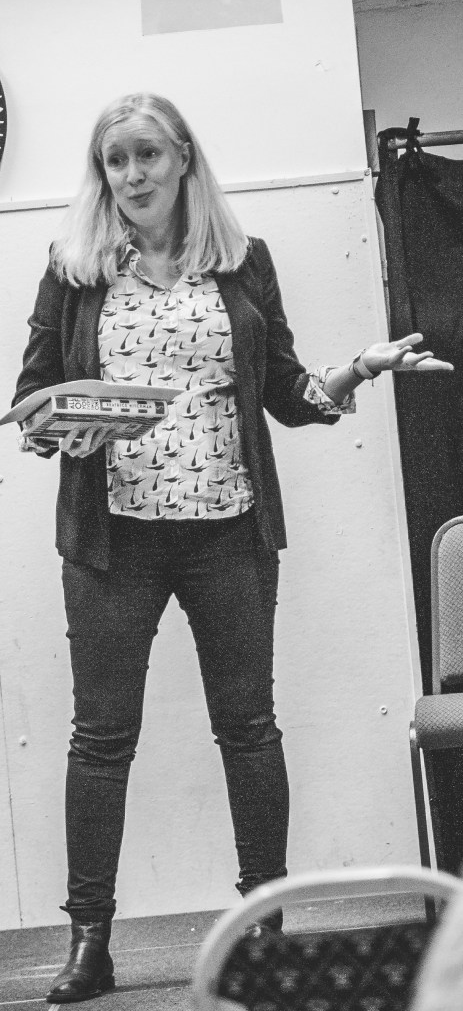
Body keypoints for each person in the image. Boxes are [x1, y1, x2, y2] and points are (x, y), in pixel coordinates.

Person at [12, 92, 452, 1004]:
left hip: (228, 533)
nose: (131, 175)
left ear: (182, 159)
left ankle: (260, 928)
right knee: (101, 740)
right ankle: (89, 942)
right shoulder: (74, 268)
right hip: (111, 544)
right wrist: (60, 426)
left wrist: (360, 369)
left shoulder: (243, 262)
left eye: (146, 155)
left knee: (248, 729)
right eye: (114, 161)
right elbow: (34, 398)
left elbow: (284, 390)